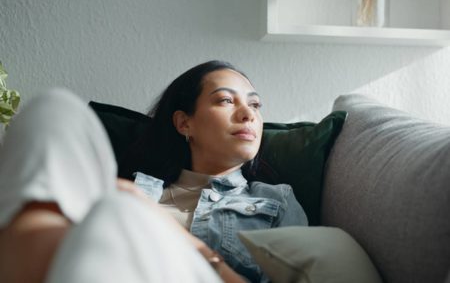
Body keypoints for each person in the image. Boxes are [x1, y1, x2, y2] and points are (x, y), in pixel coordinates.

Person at [0, 60, 308, 283]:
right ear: (184, 123)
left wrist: (186, 242)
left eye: (255, 105)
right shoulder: (132, 187)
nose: (248, 115)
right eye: (226, 100)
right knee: (54, 109)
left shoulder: (276, 201)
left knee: (118, 210)